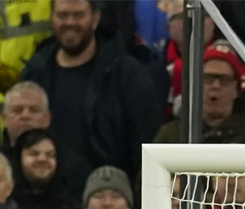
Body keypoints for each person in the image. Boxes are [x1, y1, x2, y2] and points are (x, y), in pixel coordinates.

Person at [20, 0, 163, 183]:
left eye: (78, 15)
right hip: (46, 201)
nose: (70, 22)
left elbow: (146, 144)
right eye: (62, 16)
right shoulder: (34, 73)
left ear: (95, 19)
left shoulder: (126, 75)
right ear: (52, 19)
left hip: (108, 199)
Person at [154, 43, 245, 144]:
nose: (216, 85)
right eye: (208, 78)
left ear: (236, 89)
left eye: (224, 79)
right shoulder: (171, 135)